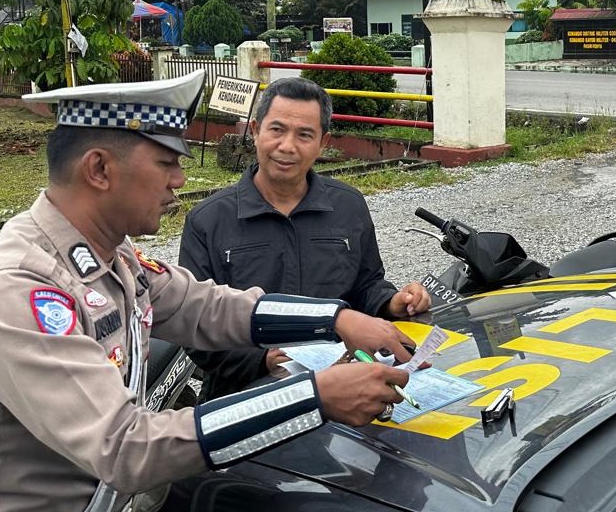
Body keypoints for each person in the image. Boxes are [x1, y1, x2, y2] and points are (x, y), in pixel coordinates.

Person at [0, 71, 413, 512]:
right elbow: (126, 447)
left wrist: (335, 318)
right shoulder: (13, 291)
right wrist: (312, 397)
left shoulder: (112, 255)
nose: (180, 180)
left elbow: (202, 305)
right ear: (100, 170)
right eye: (167, 162)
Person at [180, 77, 431, 400]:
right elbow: (194, 329)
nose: (287, 146)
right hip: (244, 398)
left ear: (323, 142)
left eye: (304, 135)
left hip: (343, 388)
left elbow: (366, 284)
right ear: (255, 130)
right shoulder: (208, 220)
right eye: (276, 130)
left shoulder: (348, 206)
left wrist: (391, 302)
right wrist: (263, 359)